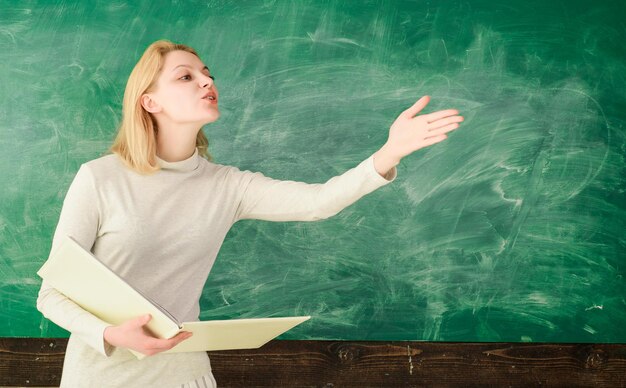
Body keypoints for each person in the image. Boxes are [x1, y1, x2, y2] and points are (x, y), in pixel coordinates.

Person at [36, 40, 464, 387]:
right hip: (100, 377)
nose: (206, 80)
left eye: (208, 74)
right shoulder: (100, 178)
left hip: (185, 376)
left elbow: (319, 202)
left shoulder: (227, 185)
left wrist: (389, 153)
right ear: (150, 102)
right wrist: (111, 334)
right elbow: (52, 293)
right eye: (186, 76)